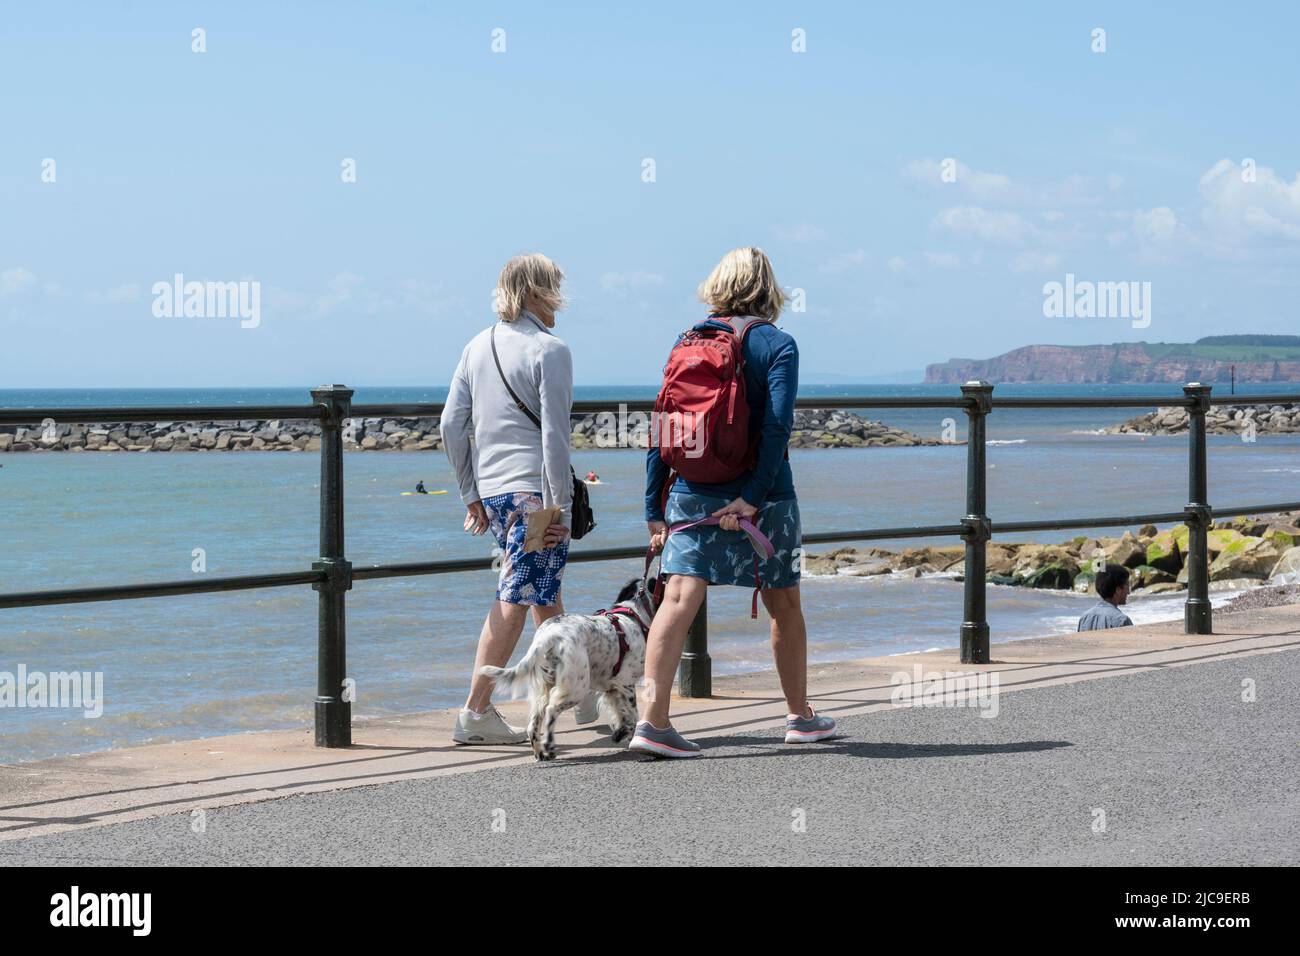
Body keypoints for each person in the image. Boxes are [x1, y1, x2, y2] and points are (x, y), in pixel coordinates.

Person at [633, 247, 836, 758]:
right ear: (768, 288)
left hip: (689, 488)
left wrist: (654, 507)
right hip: (765, 495)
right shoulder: (778, 344)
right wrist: (752, 497)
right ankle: (799, 717)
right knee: (783, 602)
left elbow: (665, 422)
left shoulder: (688, 341)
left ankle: (652, 723)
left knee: (677, 599)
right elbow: (777, 427)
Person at [440, 253, 596, 744]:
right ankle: (475, 712)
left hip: (496, 491)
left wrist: (470, 492)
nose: (559, 301)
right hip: (535, 494)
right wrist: (561, 509)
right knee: (513, 598)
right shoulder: (550, 350)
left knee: (541, 592)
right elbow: (555, 437)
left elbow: (450, 425)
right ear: (533, 292)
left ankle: (583, 686)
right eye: (553, 288)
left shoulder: (476, 345)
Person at [1078, 563, 1134, 631]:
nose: (1128, 592)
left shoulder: (1084, 618)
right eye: (1127, 587)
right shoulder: (1122, 620)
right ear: (1118, 590)